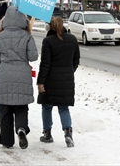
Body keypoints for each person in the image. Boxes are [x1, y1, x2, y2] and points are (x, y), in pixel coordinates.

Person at [0, 6, 38, 149]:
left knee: (5, 110)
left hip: (4, 74)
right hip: (22, 74)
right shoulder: (27, 36)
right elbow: (33, 56)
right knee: (21, 107)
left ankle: (6, 140)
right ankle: (21, 128)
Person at [37, 16, 80, 148]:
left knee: (47, 106)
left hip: (50, 79)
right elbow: (76, 60)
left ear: (50, 26)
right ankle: (68, 133)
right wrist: (69, 71)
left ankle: (47, 134)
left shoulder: (48, 41)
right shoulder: (72, 39)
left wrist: (40, 82)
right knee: (63, 107)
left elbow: (45, 64)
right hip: (66, 78)